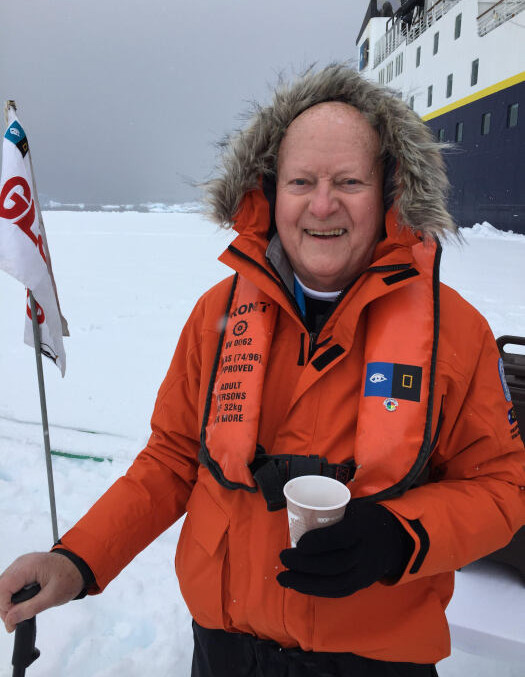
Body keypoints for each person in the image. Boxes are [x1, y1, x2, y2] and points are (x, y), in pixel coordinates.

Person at [1, 64, 524, 676]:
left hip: (371, 661)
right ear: (271, 192)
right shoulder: (216, 315)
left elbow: (503, 487)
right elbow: (171, 459)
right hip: (224, 652)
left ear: (389, 191)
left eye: (349, 181)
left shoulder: (454, 332)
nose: (322, 205)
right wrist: (77, 559)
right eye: (301, 181)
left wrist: (398, 535)